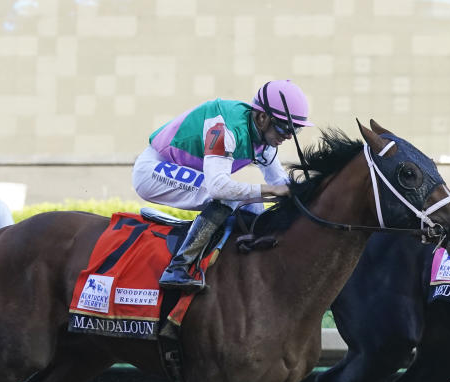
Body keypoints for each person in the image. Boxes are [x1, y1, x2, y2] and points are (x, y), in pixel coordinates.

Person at [132, 79, 314, 291]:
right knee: (228, 196)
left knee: (254, 207)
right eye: (285, 127)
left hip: (189, 172)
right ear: (263, 117)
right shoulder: (224, 128)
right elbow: (218, 187)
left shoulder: (266, 140)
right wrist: (271, 191)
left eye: (296, 130)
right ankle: (178, 267)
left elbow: (280, 182)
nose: (289, 136)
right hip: (153, 170)